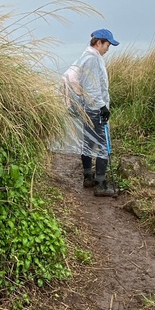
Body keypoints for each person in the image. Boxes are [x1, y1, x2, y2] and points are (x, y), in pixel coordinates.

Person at [61, 28, 119, 197]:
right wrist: (102, 107)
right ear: (99, 42)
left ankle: (88, 177)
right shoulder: (93, 59)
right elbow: (92, 88)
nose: (108, 48)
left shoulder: (85, 57)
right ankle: (100, 185)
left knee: (88, 141)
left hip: (86, 108)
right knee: (102, 145)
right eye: (108, 44)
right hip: (94, 108)